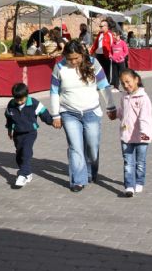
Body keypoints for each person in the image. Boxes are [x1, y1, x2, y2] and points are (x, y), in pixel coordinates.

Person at [50, 40, 116, 192]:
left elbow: (104, 86)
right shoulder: (59, 67)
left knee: (92, 147)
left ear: (82, 54)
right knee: (75, 147)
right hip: (69, 113)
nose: (73, 62)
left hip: (91, 112)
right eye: (70, 58)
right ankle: (78, 180)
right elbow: (54, 91)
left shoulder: (93, 63)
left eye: (76, 58)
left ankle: (91, 171)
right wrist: (55, 115)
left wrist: (110, 106)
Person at [4, 83, 53, 188]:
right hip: (17, 133)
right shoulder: (11, 105)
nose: (19, 102)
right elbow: (9, 118)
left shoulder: (34, 103)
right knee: (19, 155)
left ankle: (22, 175)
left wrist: (53, 121)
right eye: (17, 99)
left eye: (21, 100)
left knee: (26, 151)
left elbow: (44, 114)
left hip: (30, 132)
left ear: (27, 95)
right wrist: (9, 129)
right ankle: (28, 173)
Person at [115, 69, 152, 198]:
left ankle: (139, 181)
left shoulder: (143, 98)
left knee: (140, 162)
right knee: (128, 162)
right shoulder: (124, 96)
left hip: (141, 136)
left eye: (128, 82)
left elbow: (145, 117)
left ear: (136, 79)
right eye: (122, 83)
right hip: (126, 134)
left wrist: (144, 134)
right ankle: (129, 186)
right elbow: (122, 112)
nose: (126, 85)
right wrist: (115, 114)